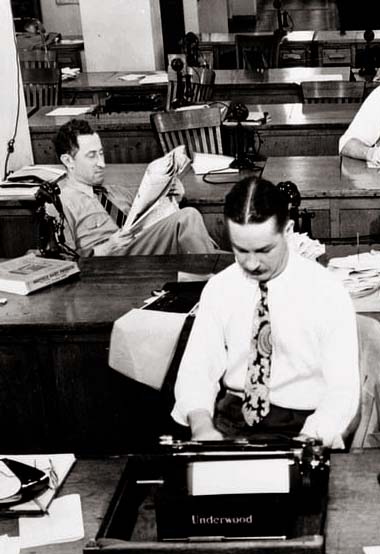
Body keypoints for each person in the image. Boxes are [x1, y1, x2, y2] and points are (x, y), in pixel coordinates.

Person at [171, 176, 360, 448]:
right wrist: (201, 425)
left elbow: (343, 391)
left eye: (264, 250)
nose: (251, 263)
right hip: (231, 420)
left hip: (304, 424)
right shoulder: (220, 288)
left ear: (288, 231)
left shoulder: (326, 292)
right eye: (240, 250)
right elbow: (197, 370)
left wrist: (310, 439)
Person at [52, 119, 218, 256]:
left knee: (228, 259)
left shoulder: (116, 192)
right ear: (68, 161)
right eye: (92, 156)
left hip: (142, 251)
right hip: (108, 264)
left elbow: (151, 217)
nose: (102, 164)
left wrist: (172, 196)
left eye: (101, 153)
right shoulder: (60, 202)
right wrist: (107, 247)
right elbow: (64, 258)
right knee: (188, 217)